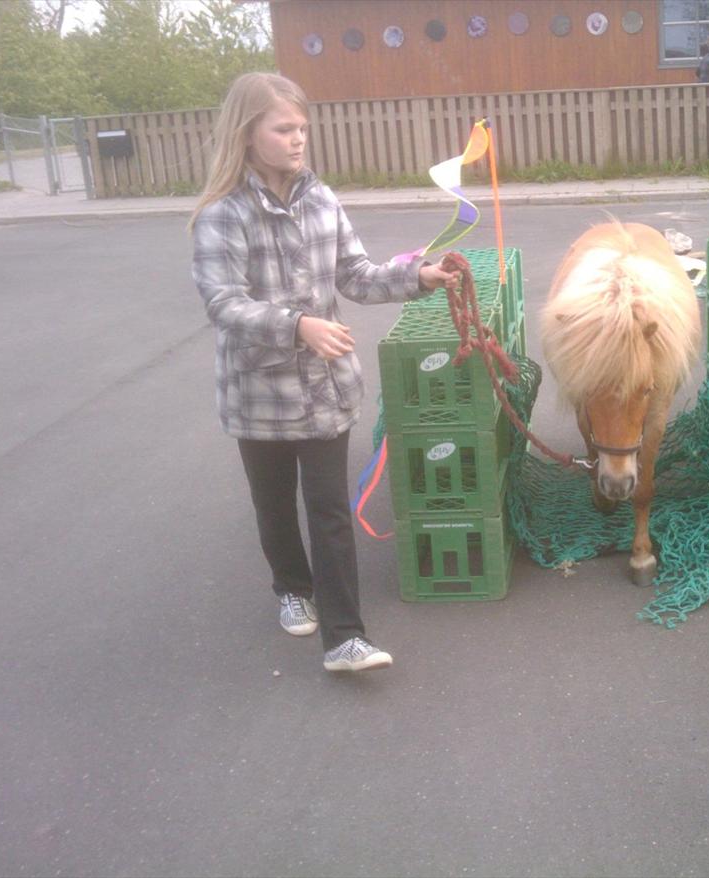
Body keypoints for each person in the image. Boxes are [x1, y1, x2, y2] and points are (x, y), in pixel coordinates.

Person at [189, 73, 458, 672]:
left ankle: (344, 638)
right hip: (259, 395)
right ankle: (291, 587)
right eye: (284, 128)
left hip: (325, 390)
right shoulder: (222, 215)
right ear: (247, 133)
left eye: (302, 128)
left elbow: (357, 275)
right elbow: (223, 303)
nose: (298, 139)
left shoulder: (322, 200)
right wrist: (298, 325)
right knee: (275, 505)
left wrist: (418, 276)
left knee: (330, 509)